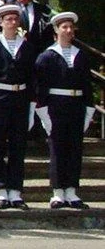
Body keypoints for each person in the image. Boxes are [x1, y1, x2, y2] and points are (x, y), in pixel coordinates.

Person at [0, 4, 37, 209]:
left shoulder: (27, 47)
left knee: (18, 146)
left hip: (20, 98)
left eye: (15, 19)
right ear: (1, 22)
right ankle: (1, 190)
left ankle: (15, 191)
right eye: (8, 19)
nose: (12, 22)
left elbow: (32, 79)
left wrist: (32, 107)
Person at [33, 12, 95, 209]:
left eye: (71, 27)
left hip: (76, 105)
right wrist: (43, 113)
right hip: (56, 105)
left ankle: (71, 190)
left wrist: (89, 109)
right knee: (58, 148)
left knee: (75, 148)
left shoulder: (80, 56)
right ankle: (58, 191)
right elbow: (41, 87)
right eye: (64, 27)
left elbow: (87, 85)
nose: (68, 31)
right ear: (56, 30)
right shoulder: (47, 57)